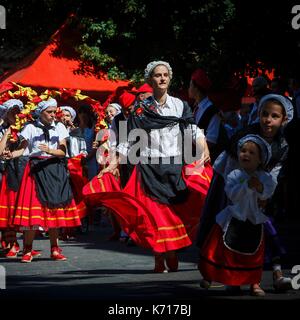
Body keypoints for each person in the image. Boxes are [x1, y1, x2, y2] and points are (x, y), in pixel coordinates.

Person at [83, 60, 212, 272]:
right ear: (149, 80)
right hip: (149, 167)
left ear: (169, 78)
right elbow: (127, 141)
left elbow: (192, 130)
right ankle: (158, 256)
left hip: (174, 165)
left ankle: (170, 250)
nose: (162, 78)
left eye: (165, 75)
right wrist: (113, 162)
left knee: (173, 213)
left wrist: (202, 145)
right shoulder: (141, 109)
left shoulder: (180, 105)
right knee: (154, 216)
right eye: (157, 75)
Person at [196, 93, 294, 292]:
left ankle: (276, 274)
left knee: (267, 230)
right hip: (233, 186)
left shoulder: (282, 145)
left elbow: (275, 171)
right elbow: (233, 165)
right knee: (228, 232)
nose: (268, 120)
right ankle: (226, 274)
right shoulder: (245, 136)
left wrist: (264, 194)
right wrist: (237, 192)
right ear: (259, 114)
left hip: (260, 189)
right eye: (265, 114)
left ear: (284, 119)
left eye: (275, 116)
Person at [199, 134, 276, 296]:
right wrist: (246, 186)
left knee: (253, 252)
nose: (245, 155)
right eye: (243, 151)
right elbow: (232, 194)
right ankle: (228, 279)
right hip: (234, 216)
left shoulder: (265, 177)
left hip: (254, 218)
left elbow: (268, 193)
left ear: (260, 159)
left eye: (251, 153)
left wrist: (261, 188)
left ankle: (255, 283)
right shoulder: (234, 175)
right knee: (225, 250)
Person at [11, 98, 82, 262]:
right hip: (36, 169)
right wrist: (10, 155)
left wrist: (50, 150)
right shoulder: (30, 127)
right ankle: (27, 249)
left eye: (53, 112)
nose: (52, 115)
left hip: (54, 169)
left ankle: (54, 248)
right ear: (40, 113)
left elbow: (63, 151)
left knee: (54, 210)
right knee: (32, 212)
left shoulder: (60, 127)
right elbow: (22, 149)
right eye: (49, 112)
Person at [0, 99, 26, 257]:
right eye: (13, 112)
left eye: (18, 112)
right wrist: (7, 135)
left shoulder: (22, 129)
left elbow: (25, 148)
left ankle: (13, 243)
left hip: (15, 170)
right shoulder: (4, 129)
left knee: (12, 207)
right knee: (5, 207)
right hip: (2, 170)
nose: (16, 115)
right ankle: (9, 242)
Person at [188, 68, 229, 163]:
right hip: (193, 158)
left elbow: (211, 141)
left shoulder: (212, 111)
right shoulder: (195, 107)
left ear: (196, 89)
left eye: (190, 85)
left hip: (206, 162)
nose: (188, 89)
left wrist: (187, 143)